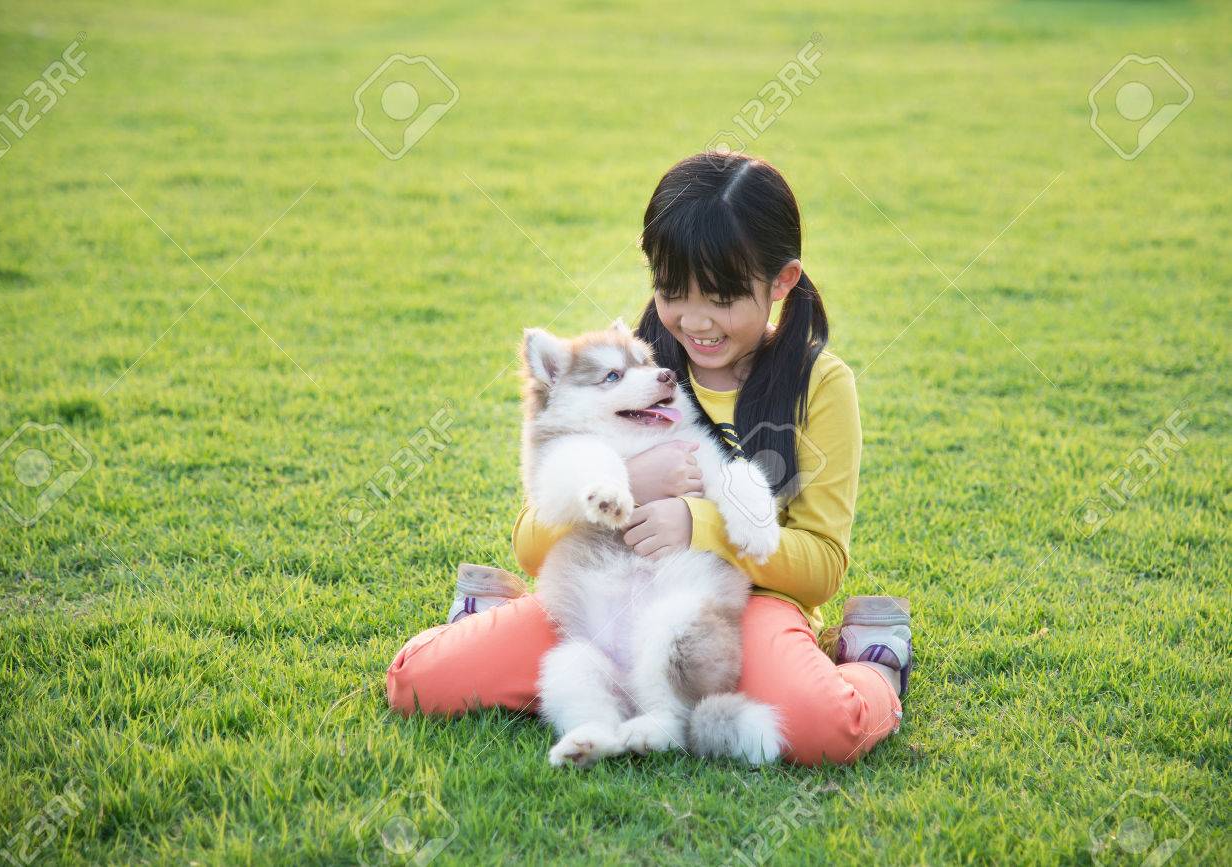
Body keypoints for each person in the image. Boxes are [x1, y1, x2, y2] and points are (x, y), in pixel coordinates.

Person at [387, 152, 912, 766]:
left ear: (782, 281)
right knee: (417, 682)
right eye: (671, 291)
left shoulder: (818, 384)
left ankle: (877, 659)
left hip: (743, 601)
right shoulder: (626, 375)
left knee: (827, 728)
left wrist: (699, 524)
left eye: (720, 297)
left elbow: (820, 566)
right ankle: (492, 615)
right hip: (600, 597)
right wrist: (631, 483)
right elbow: (532, 546)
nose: (694, 320)